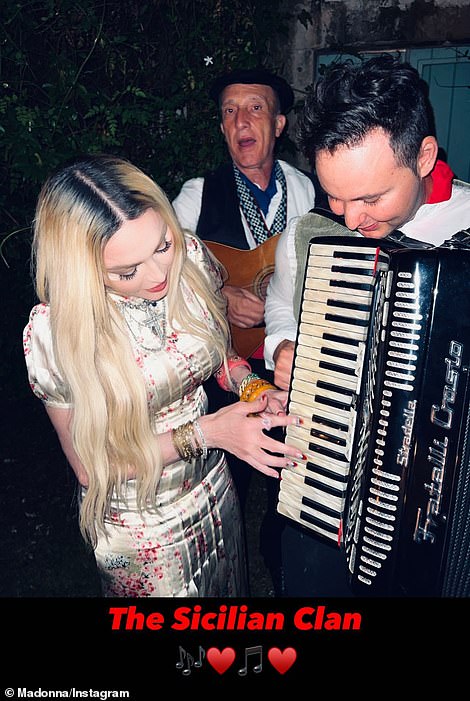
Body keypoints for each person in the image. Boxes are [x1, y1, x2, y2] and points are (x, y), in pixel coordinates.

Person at [22, 154, 305, 598]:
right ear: (82, 269)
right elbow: (90, 470)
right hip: (142, 526)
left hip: (214, 488)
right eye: (127, 272)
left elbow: (217, 352)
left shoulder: (189, 255)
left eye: (161, 246)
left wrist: (251, 385)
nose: (159, 276)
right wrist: (208, 433)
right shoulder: (56, 333)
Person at [264, 53, 470, 596]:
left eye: (371, 198)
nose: (351, 219)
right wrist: (282, 345)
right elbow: (281, 306)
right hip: (330, 488)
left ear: (423, 156)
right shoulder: (312, 227)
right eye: (335, 195)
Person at [172, 67, 317, 594]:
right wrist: (218, 295)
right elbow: (159, 271)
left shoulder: (306, 190)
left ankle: (287, 571)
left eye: (255, 108)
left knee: (294, 479)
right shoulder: (195, 195)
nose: (241, 120)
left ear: (278, 123)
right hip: (223, 368)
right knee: (226, 480)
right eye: (230, 111)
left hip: (288, 358)